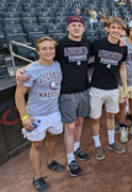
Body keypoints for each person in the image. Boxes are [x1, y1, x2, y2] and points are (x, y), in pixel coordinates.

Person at [17, 16, 91, 177]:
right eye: (73, 25)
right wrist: (22, 69)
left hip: (82, 91)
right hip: (65, 94)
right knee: (68, 127)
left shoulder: (87, 44)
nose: (77, 27)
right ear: (68, 28)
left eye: (79, 25)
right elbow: (43, 58)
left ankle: (75, 149)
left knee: (78, 123)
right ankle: (69, 159)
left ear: (84, 28)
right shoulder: (60, 45)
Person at [15, 37, 64, 192]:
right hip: (36, 115)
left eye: (51, 48)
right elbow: (18, 95)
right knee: (36, 145)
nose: (48, 51)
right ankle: (37, 177)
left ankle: (51, 161)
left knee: (52, 137)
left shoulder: (58, 64)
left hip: (54, 111)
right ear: (37, 51)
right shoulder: (29, 71)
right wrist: (24, 117)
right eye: (44, 49)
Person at [89, 17, 128, 160]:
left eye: (119, 28)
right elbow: (86, 57)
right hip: (97, 87)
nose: (116, 30)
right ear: (108, 28)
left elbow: (122, 67)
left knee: (112, 116)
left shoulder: (123, 47)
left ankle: (111, 142)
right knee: (95, 119)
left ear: (122, 31)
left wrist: (125, 88)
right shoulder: (97, 43)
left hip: (113, 87)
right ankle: (97, 145)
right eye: (113, 27)